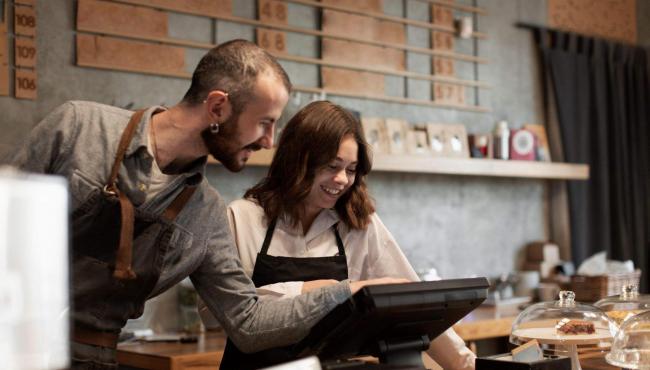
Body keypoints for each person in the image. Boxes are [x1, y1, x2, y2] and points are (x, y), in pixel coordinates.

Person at [11, 40, 396, 369]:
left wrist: (348, 291)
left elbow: (247, 323)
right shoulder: (80, 128)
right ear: (217, 108)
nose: (269, 141)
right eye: (264, 122)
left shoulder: (206, 213)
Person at [217, 101, 477, 370]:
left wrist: (466, 364)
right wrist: (322, 290)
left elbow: (412, 305)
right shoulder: (242, 218)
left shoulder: (358, 223)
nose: (342, 179)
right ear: (298, 160)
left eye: (351, 169)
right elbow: (223, 314)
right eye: (332, 166)